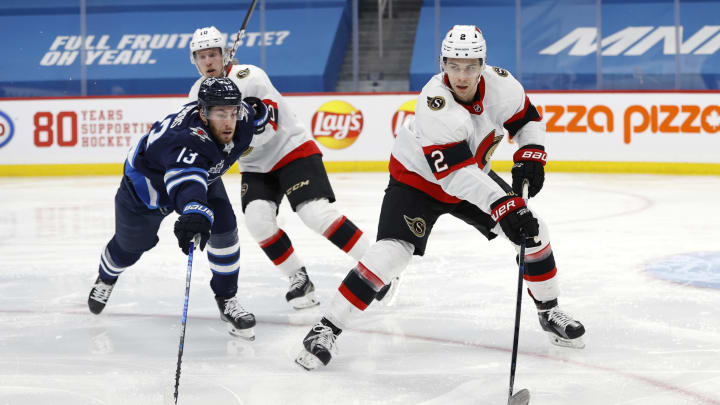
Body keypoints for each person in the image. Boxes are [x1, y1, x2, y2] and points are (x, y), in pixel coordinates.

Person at [295, 25, 586, 370]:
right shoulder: (434, 102)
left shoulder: (503, 85)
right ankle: (326, 327)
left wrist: (532, 152)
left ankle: (548, 310)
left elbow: (526, 120)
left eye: (470, 66)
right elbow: (454, 175)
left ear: (483, 65)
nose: (461, 76)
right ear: (442, 64)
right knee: (391, 255)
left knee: (534, 231)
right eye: (453, 66)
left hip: (471, 174)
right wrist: (504, 203)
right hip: (418, 181)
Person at [186, 26, 376, 310]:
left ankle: (378, 268)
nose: (208, 61)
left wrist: (245, 125)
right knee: (257, 221)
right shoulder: (196, 94)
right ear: (194, 60)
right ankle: (299, 279)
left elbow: (269, 131)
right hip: (255, 165)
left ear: (225, 54)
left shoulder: (250, 78)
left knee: (314, 214)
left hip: (291, 150)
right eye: (201, 56)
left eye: (213, 54)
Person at [87, 77, 268, 341]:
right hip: (146, 190)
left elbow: (255, 115)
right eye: (220, 114)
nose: (229, 121)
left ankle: (227, 298)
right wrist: (194, 211)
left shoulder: (243, 118)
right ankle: (106, 277)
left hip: (202, 175)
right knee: (129, 249)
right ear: (203, 115)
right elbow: (187, 185)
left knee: (225, 230)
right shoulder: (186, 141)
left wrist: (260, 114)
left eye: (232, 112)